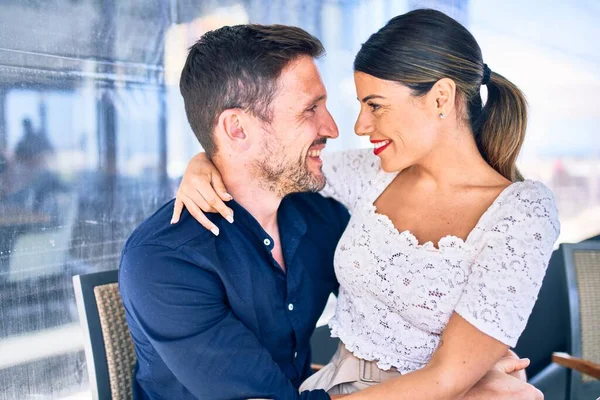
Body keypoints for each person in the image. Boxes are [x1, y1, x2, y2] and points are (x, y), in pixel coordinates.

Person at [172, 10, 559, 399]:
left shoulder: (523, 212)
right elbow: (267, 164)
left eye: (375, 105)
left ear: (440, 97)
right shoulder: (373, 174)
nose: (358, 126)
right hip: (337, 386)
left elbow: (446, 379)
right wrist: (203, 163)